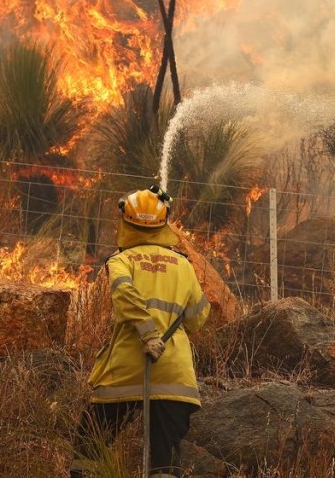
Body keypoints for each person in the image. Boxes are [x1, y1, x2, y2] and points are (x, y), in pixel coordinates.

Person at [72, 185, 210, 478]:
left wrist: (148, 333)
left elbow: (124, 296)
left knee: (88, 451)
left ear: (125, 221)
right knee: (165, 464)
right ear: (164, 222)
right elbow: (198, 318)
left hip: (126, 372)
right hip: (174, 376)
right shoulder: (184, 265)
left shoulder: (120, 261)